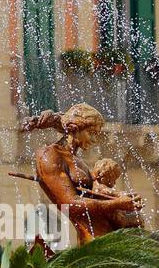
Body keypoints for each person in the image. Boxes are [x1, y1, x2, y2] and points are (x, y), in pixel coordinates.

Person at [20, 104, 142, 243]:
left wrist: (120, 196)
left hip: (112, 233)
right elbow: (71, 204)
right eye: (91, 133)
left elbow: (94, 191)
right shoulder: (50, 155)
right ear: (74, 128)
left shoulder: (78, 160)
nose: (94, 140)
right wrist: (117, 204)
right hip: (95, 241)